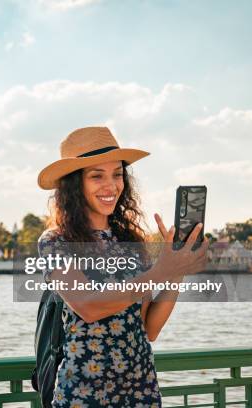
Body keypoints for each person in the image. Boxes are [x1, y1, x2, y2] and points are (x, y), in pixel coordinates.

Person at [36, 126, 207, 407]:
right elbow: (88, 306)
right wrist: (160, 272)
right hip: (84, 393)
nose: (111, 185)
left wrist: (177, 267)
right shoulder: (56, 241)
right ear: (73, 184)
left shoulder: (132, 242)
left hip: (141, 390)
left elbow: (147, 327)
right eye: (96, 176)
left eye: (117, 174)